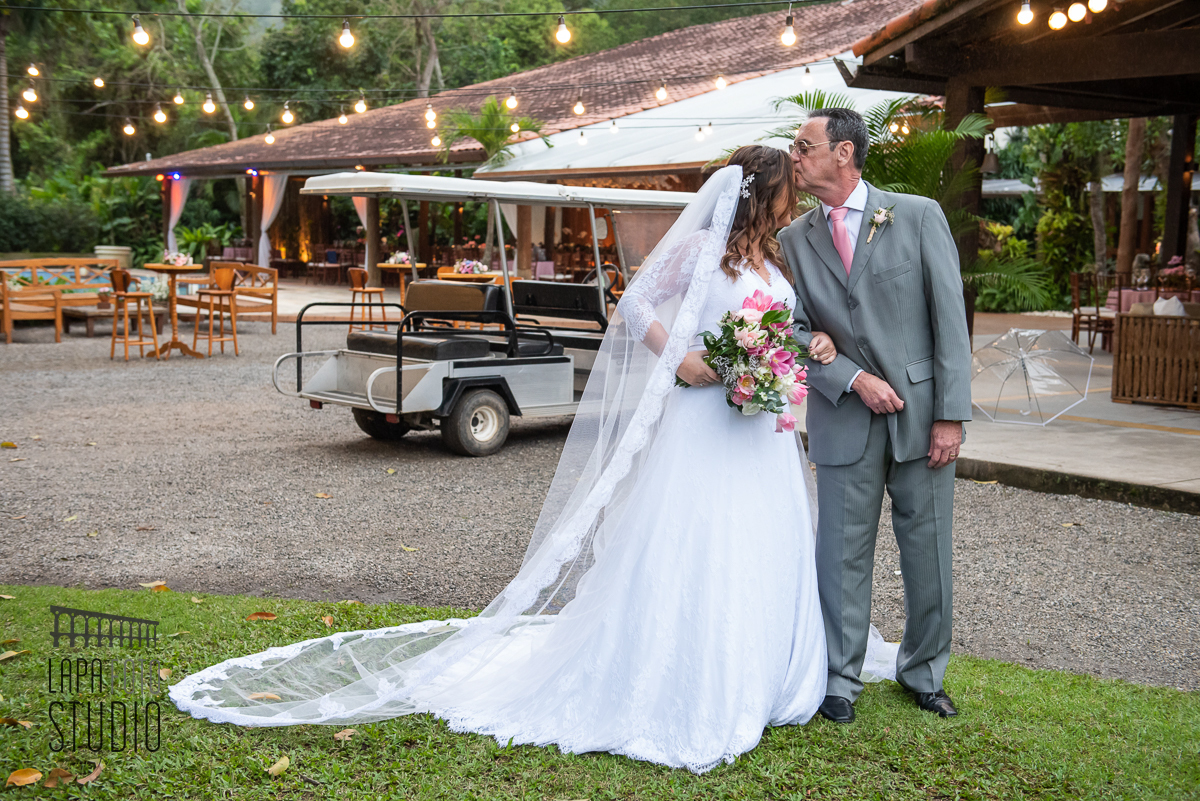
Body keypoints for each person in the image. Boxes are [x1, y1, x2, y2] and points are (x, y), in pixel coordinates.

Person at [170, 146, 841, 773]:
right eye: (789, 190)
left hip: (758, 427)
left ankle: (761, 669)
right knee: (695, 541)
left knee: (757, 541)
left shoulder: (772, 260)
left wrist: (786, 360)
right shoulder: (699, 249)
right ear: (762, 194)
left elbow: (772, 327)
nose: (797, 198)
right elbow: (634, 306)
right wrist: (680, 357)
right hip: (701, 417)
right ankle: (686, 671)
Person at [778, 108, 973, 723]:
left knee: (928, 551)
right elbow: (789, 329)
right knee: (840, 554)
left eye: (803, 146)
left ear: (843, 152)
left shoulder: (916, 214)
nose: (794, 156)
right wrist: (851, 378)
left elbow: (949, 318)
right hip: (843, 415)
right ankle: (839, 679)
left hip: (922, 417)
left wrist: (951, 414)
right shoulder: (792, 240)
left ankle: (924, 673)